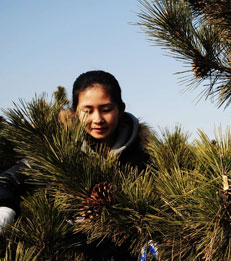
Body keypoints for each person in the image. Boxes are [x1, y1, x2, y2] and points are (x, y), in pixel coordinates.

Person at [0, 70, 151, 231]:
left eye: (106, 109)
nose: (97, 119)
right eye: (87, 111)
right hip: (67, 250)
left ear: (120, 109)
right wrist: (5, 212)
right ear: (75, 112)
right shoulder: (57, 152)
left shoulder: (144, 154)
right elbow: (6, 181)